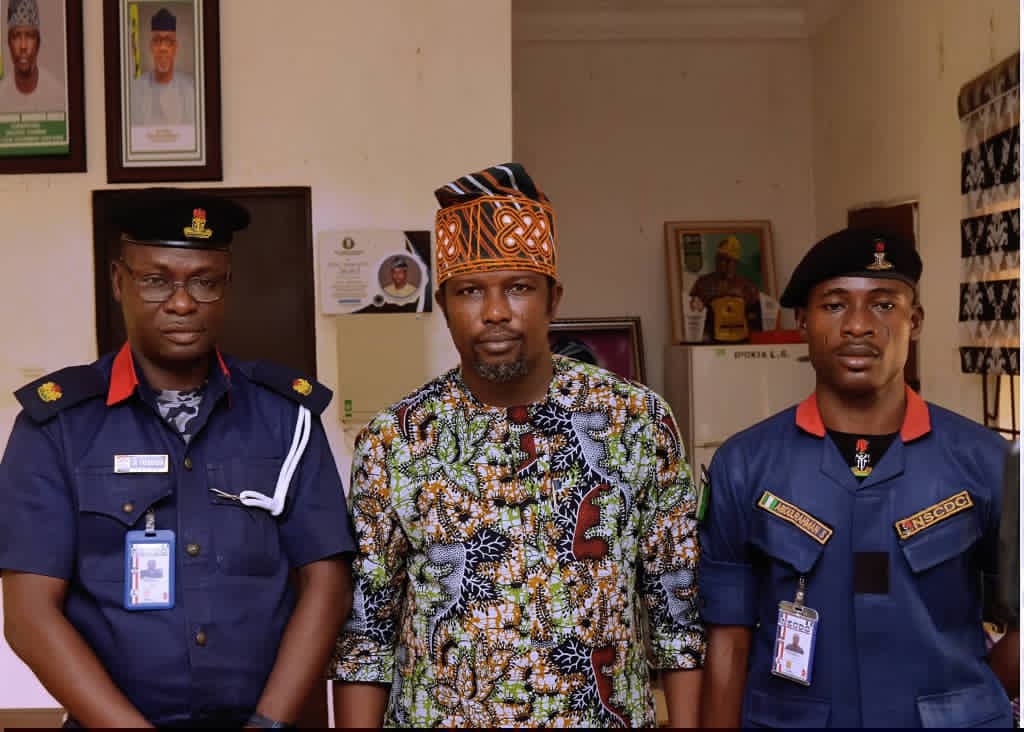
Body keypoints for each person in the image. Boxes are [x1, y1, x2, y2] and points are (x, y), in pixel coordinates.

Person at [329, 163, 704, 728]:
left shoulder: (638, 423)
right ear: (444, 306)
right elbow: (367, 634)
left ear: (553, 300)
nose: (496, 312)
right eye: (471, 291)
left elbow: (679, 615)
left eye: (519, 288)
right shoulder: (394, 439)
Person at [0, 189, 355, 728]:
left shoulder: (288, 417)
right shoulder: (57, 426)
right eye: (156, 279)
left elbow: (327, 583)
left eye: (204, 282)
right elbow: (28, 615)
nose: (182, 301)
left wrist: (268, 724)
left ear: (227, 287)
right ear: (119, 281)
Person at [698, 227, 1018, 727]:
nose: (858, 326)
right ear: (802, 320)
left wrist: (968, 703)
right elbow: (728, 638)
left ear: (915, 321)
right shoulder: (745, 464)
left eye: (884, 305)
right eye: (834, 305)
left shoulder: (984, 461)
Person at [688, 235, 762, 343]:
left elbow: (756, 319)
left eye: (727, 260)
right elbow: (692, 312)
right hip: (710, 342)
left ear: (736, 263)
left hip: (741, 342)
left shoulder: (748, 287)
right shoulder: (703, 283)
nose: (722, 264)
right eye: (719, 259)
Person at [130, 7, 195, 127]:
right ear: (151, 47)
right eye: (157, 40)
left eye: (169, 41)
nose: (163, 48)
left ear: (175, 48)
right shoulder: (135, 90)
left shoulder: (191, 89)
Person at [0, 0, 65, 114]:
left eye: (30, 36)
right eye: (16, 36)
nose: (23, 46)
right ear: (9, 43)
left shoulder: (58, 95)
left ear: (38, 43)